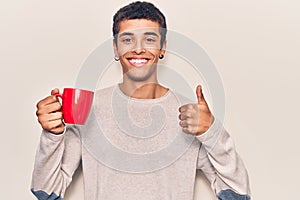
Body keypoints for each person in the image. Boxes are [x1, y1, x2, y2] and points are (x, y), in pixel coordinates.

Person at [31, 1, 251, 199]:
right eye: (127, 39)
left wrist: (211, 131)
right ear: (116, 48)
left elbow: (237, 193)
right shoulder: (90, 108)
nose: (138, 48)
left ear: (162, 47)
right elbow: (47, 191)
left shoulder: (189, 115)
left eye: (149, 39)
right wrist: (52, 135)